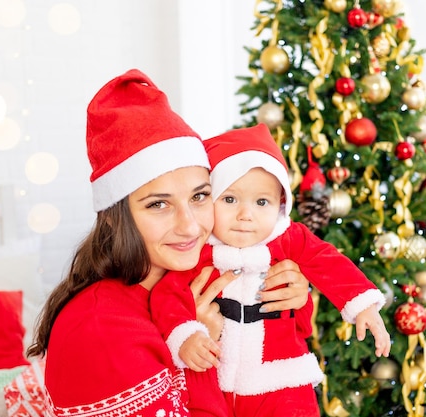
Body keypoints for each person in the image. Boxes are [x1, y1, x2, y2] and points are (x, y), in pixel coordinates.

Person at [26, 70, 311, 417]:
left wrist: (290, 300)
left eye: (200, 196)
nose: (190, 225)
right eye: (158, 204)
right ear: (114, 215)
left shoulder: (195, 284)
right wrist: (200, 348)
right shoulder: (103, 326)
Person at [150, 124, 391, 417]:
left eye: (261, 202)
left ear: (279, 205)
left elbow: (329, 262)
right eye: (229, 199)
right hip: (218, 377)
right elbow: (167, 294)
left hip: (282, 378)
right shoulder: (199, 251)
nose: (245, 215)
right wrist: (185, 335)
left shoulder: (288, 239)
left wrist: (362, 305)